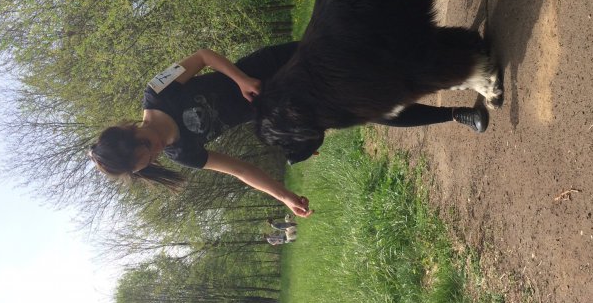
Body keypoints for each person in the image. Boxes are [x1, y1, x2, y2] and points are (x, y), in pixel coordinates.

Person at [90, 43, 490, 216]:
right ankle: (456, 112)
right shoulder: (183, 154)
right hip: (284, 106)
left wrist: (241, 79)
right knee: (370, 107)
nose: (157, 152)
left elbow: (202, 56)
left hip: (270, 68)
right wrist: (284, 196)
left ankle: (451, 56)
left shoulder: (157, 92)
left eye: (146, 149)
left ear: (130, 136)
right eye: (149, 162)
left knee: (359, 58)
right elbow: (240, 170)